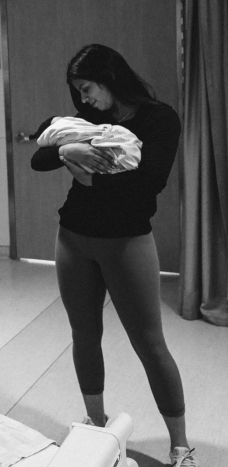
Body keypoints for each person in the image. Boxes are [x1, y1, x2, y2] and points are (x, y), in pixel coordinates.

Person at [31, 44, 198, 467]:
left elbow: (150, 182)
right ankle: (96, 420)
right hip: (73, 239)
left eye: (87, 88)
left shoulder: (159, 119)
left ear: (110, 77)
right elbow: (39, 155)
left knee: (149, 343)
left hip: (127, 242)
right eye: (78, 92)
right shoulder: (86, 119)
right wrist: (71, 153)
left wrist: (89, 180)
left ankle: (180, 446)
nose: (83, 99)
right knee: (83, 334)